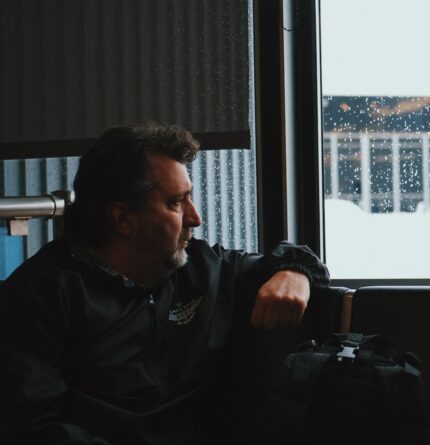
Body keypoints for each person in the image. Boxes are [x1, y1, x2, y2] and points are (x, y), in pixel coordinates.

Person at [0, 122, 330, 443]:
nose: (195, 217)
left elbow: (288, 259)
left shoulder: (200, 269)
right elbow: (33, 426)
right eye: (176, 202)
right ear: (123, 218)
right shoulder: (40, 295)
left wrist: (295, 272)